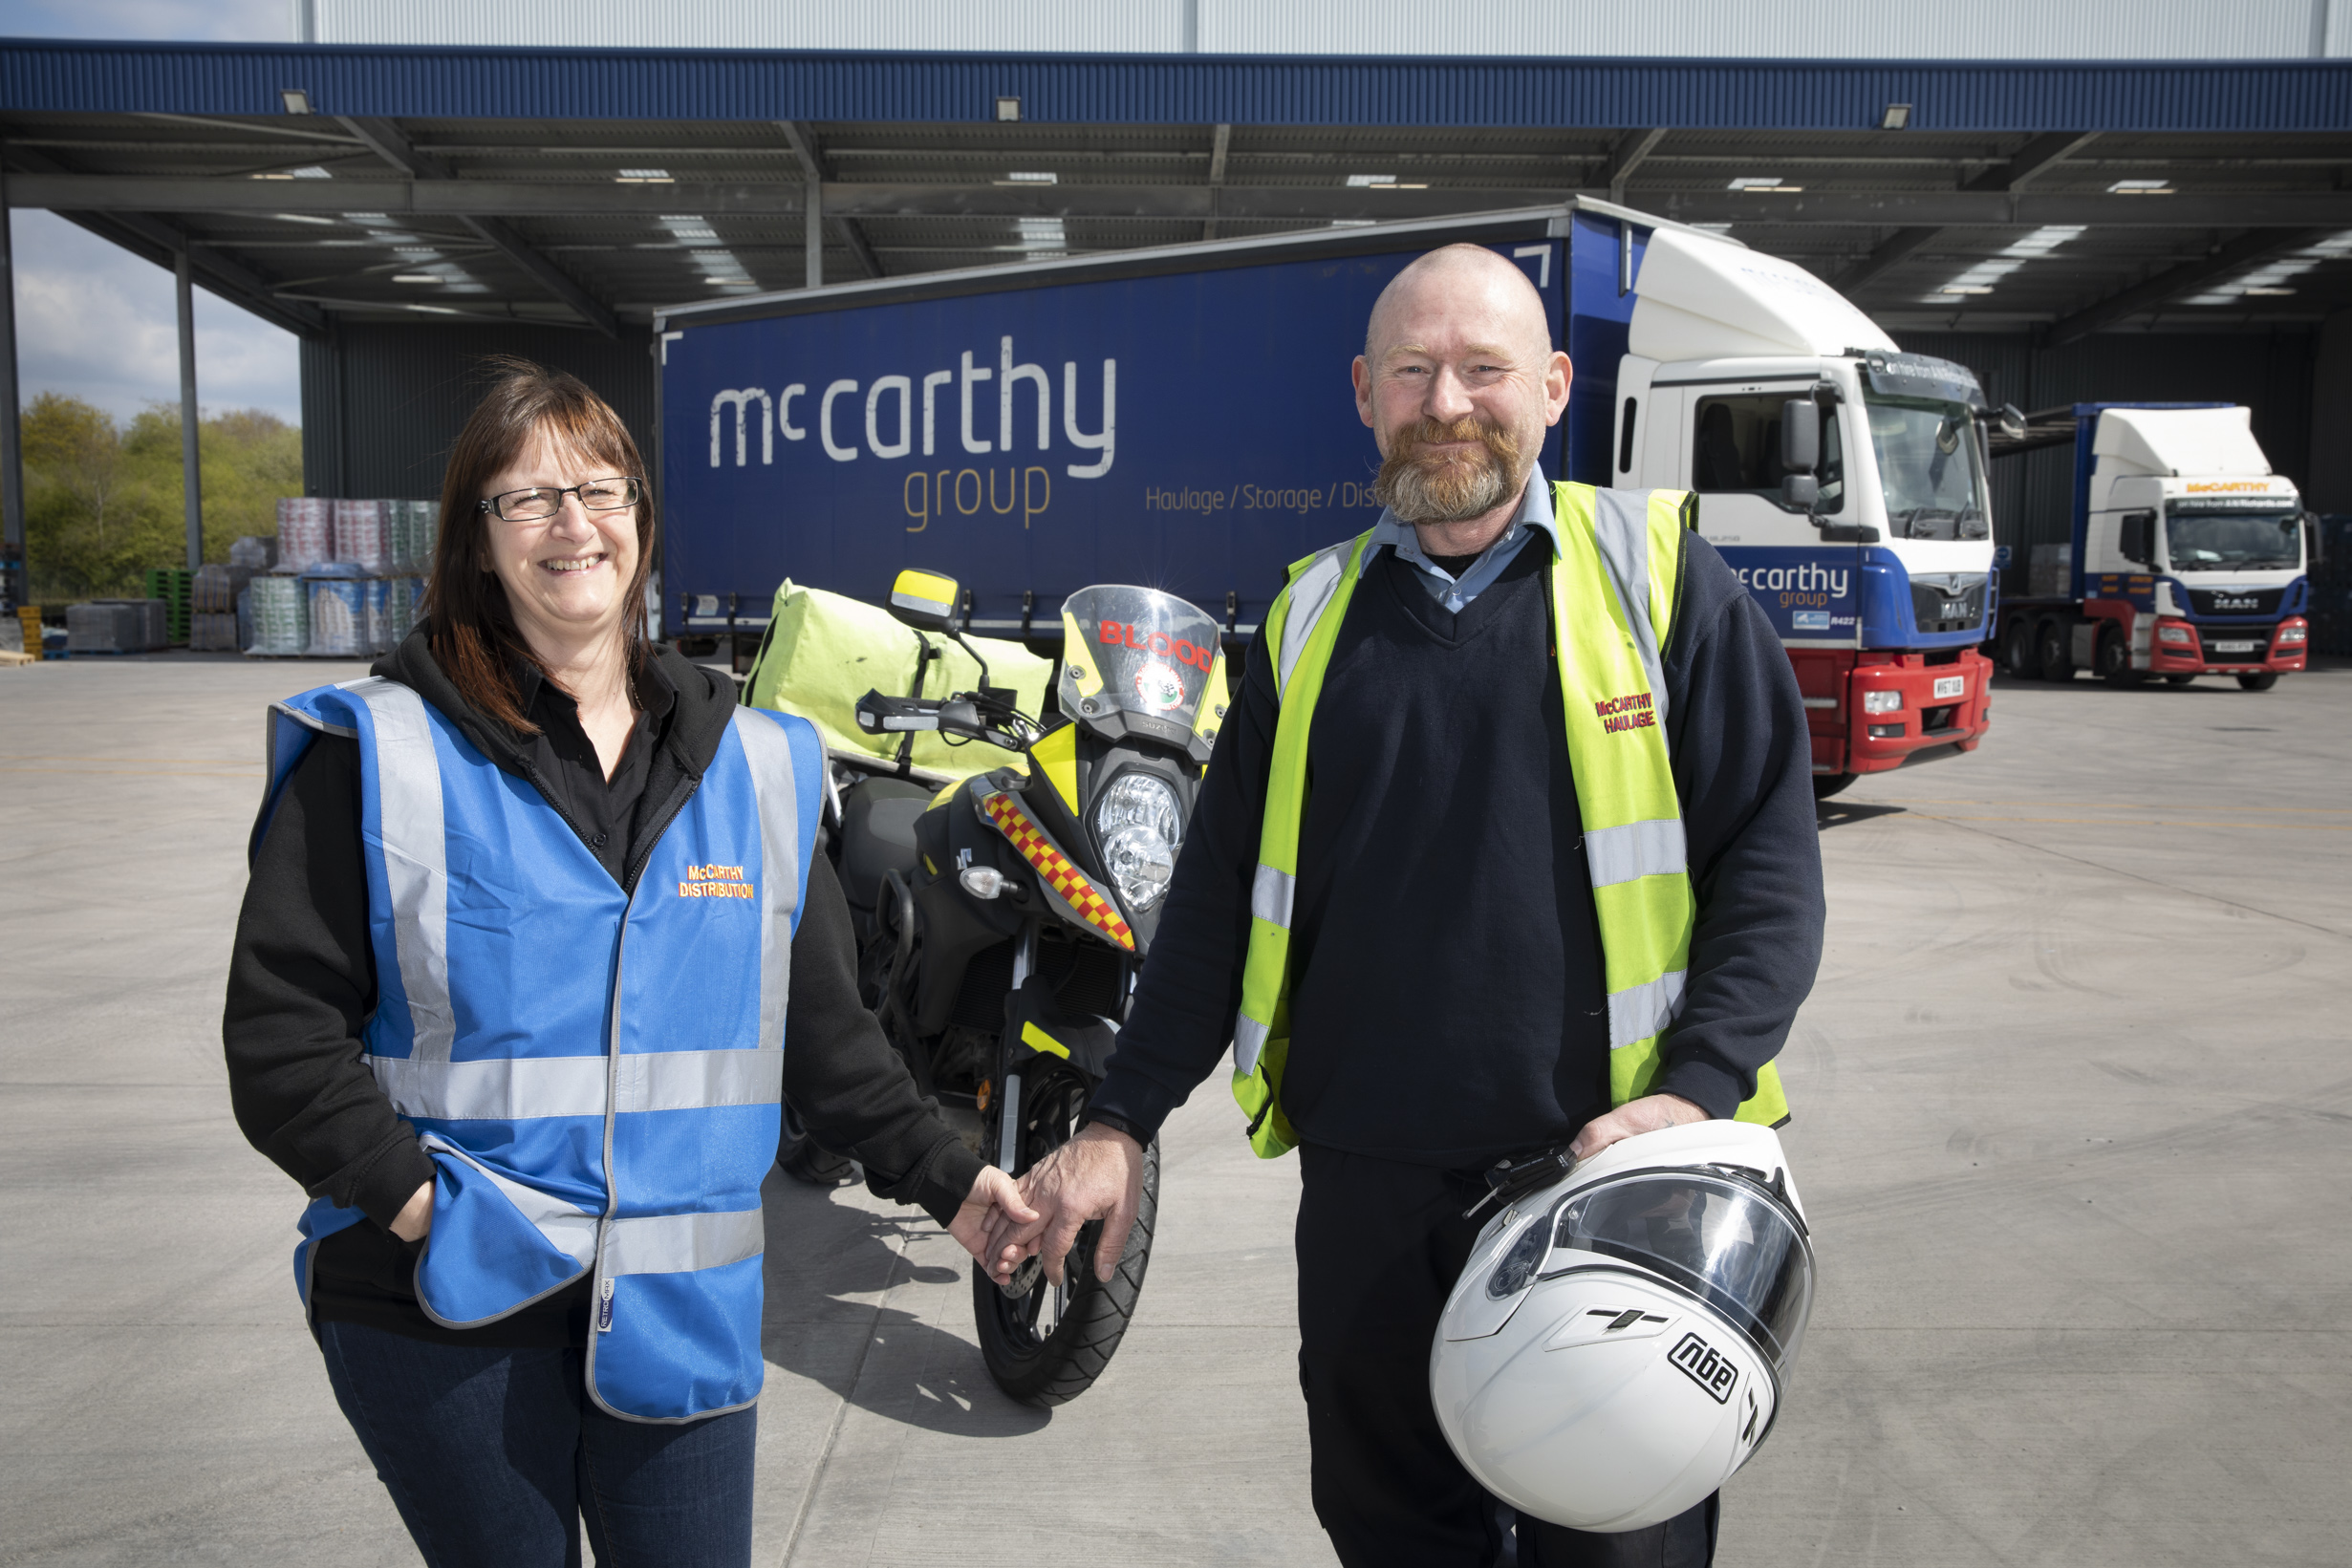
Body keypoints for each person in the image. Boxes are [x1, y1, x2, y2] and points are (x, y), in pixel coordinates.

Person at [988, 246, 1825, 1567]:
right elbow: (1212, 904)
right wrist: (1117, 1120)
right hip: (1372, 1194)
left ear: (1552, 388)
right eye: (1415, 371)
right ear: (1364, 394)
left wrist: (1698, 1085)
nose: (1449, 402)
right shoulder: (1305, 625)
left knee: (1614, 1541)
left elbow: (1769, 871)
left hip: (1606, 1182)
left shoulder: (1660, 585)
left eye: (1484, 370)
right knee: (1392, 1533)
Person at [224, 358, 1031, 1568]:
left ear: (642, 524)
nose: (572, 523)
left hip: (680, 1309)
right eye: (527, 496)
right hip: (446, 1308)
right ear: (476, 540)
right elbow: (280, 1038)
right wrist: (416, 1204)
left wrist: (956, 1186)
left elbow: (823, 1039)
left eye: (600, 489)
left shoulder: (759, 764)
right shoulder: (377, 751)